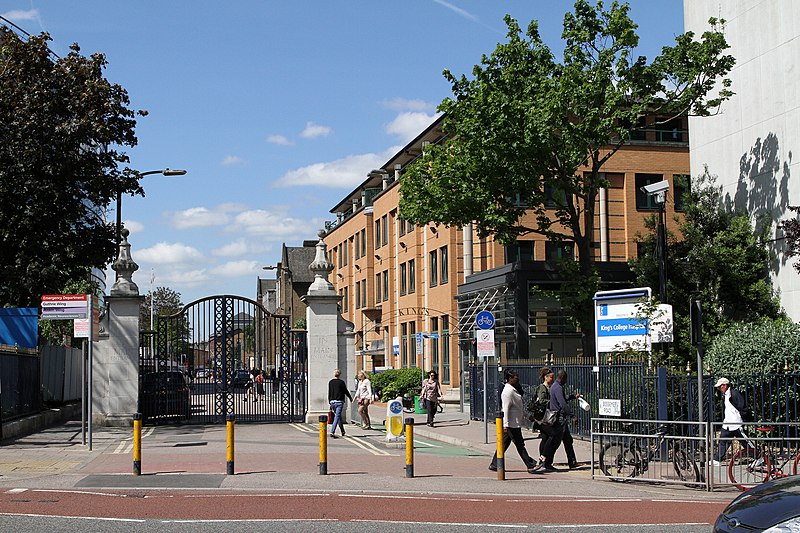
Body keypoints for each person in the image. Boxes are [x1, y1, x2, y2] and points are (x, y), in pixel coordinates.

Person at [488, 370, 537, 474]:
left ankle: (495, 463)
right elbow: (505, 408)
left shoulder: (513, 390)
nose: (517, 379)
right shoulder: (508, 392)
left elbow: (518, 407)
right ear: (510, 379)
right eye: (515, 377)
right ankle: (530, 464)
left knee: (504, 444)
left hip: (514, 422)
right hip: (511, 423)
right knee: (520, 444)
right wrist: (505, 425)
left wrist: (527, 416)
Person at [712, 377, 754, 465]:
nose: (719, 389)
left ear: (725, 385)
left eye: (720, 387)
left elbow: (742, 407)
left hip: (736, 423)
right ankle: (717, 459)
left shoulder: (734, 394)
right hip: (728, 423)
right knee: (723, 441)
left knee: (745, 441)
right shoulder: (726, 395)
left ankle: (758, 456)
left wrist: (743, 419)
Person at [546, 369, 582, 470]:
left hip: (561, 418)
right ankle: (547, 463)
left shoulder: (556, 387)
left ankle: (572, 462)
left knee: (568, 440)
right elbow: (562, 403)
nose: (566, 381)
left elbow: (562, 398)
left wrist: (573, 397)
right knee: (556, 442)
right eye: (565, 378)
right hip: (559, 418)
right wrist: (572, 415)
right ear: (562, 377)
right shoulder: (557, 387)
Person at [529, 367, 559, 471]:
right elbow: (541, 400)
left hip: (545, 417)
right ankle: (543, 458)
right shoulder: (542, 388)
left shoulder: (550, 387)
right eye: (551, 377)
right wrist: (552, 402)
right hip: (541, 419)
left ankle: (545, 463)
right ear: (546, 377)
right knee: (552, 435)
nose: (553, 378)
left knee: (545, 438)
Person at [328, 368, 352, 438]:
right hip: (339, 402)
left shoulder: (330, 382)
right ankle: (332, 431)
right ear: (340, 374)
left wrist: (329, 402)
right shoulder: (341, 382)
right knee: (337, 417)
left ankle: (342, 431)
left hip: (332, 402)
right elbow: (345, 391)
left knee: (338, 417)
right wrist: (350, 398)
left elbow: (329, 393)